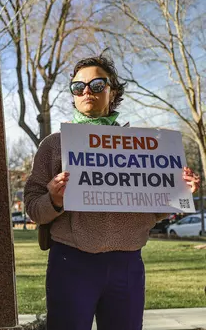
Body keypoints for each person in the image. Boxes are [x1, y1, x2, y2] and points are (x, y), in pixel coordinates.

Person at [23, 55, 201, 330]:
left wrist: (178, 191)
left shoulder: (144, 145)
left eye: (96, 85)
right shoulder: (53, 146)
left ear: (112, 91)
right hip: (71, 262)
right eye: (78, 86)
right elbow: (33, 207)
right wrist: (55, 200)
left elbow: (156, 210)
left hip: (127, 265)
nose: (86, 92)